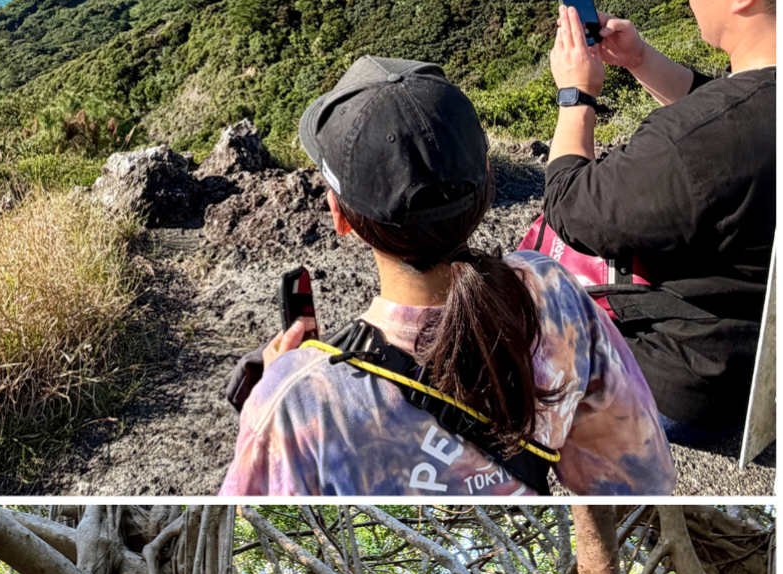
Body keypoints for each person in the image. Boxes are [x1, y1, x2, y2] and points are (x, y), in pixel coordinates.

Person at [219, 56, 675, 498]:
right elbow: (638, 481)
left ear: (340, 216)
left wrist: (272, 395)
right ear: (487, 181)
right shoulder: (550, 291)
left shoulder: (300, 404)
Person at [543, 0, 776, 443]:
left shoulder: (693, 143)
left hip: (702, 385)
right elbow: (737, 109)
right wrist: (644, 61)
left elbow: (572, 208)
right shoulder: (739, 121)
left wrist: (576, 96)